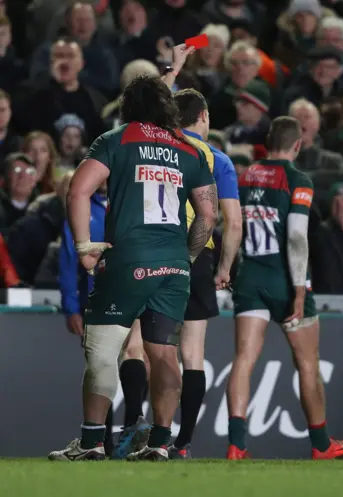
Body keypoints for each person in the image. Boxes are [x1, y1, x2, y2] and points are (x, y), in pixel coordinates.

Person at [48, 73, 218, 462]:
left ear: (127, 108)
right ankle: (160, 442)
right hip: (173, 265)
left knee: (104, 351)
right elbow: (208, 215)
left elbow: (78, 190)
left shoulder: (115, 140)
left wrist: (85, 247)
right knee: (164, 354)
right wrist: (187, 257)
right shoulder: (188, 150)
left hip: (128, 259)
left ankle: (91, 442)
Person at [227, 116, 343, 460]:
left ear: (267, 141)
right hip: (284, 278)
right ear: (297, 145)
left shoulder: (246, 176)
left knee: (243, 360)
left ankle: (236, 444)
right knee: (307, 363)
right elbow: (297, 236)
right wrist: (299, 290)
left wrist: (225, 267)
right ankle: (321, 445)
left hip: (250, 276)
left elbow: (234, 225)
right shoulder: (297, 179)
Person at [169, 87, 242, 459]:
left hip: (156, 249)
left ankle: (146, 429)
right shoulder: (217, 160)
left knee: (148, 347)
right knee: (192, 354)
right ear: (205, 117)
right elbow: (232, 223)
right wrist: (224, 267)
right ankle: (182, 442)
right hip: (197, 259)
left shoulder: (160, 151)